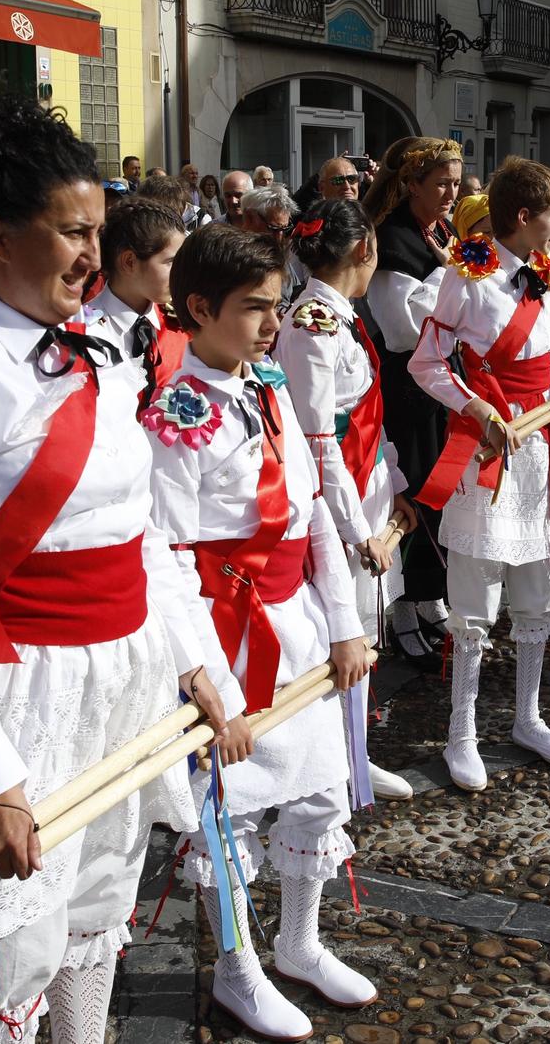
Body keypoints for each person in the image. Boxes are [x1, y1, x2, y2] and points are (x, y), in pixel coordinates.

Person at [0, 88, 211, 1043]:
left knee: (100, 904)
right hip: (21, 686)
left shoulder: (105, 347)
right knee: (10, 942)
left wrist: (194, 661)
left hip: (124, 671)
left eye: (97, 230)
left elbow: (142, 523)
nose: (94, 256)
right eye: (70, 233)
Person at [149, 223, 373, 1036]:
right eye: (254, 309)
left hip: (300, 623)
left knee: (318, 792)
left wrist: (345, 623)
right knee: (231, 813)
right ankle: (238, 969)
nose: (273, 323)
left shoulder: (272, 382)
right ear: (199, 309)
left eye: (278, 306)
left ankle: (301, 941)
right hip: (231, 630)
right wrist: (204, 677)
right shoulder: (175, 412)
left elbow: (312, 509)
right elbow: (164, 553)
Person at [411, 158, 550, 791]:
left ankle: (527, 716)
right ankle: (461, 731)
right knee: (474, 599)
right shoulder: (465, 277)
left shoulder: (549, 274)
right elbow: (427, 363)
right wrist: (476, 406)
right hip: (490, 450)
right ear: (523, 217)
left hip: (544, 446)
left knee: (538, 590)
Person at [272, 199, 418, 802]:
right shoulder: (312, 325)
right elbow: (317, 439)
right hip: (339, 501)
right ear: (365, 251)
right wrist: (357, 530)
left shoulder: (338, 315)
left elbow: (367, 414)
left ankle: (354, 750)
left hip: (368, 484)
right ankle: (339, 760)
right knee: (345, 630)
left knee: (363, 627)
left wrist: (399, 486)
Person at [363, 137, 462, 664]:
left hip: (441, 379)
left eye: (454, 182)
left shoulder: (439, 230)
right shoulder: (393, 240)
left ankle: (428, 594)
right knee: (413, 490)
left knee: (441, 488)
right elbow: (402, 330)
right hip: (408, 383)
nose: (451, 193)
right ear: (412, 185)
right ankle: (401, 606)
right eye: (441, 183)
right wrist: (451, 277)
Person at [92, 196, 189, 407]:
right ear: (129, 262)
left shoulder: (180, 324)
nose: (181, 273)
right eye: (171, 263)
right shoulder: (84, 331)